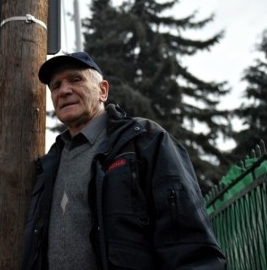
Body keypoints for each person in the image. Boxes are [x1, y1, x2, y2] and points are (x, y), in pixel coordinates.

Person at [22, 52, 226, 269]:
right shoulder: (48, 165)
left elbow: (189, 243)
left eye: (75, 79)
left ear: (103, 90)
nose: (64, 90)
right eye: (56, 86)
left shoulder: (145, 140)